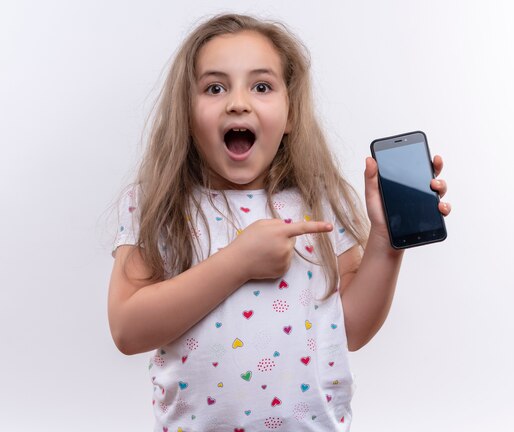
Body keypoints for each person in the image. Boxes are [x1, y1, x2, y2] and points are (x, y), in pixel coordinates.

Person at [107, 13, 450, 431]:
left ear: (289, 115)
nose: (238, 102)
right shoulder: (156, 204)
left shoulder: (318, 200)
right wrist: (237, 263)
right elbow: (127, 329)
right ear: (187, 114)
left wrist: (385, 241)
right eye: (215, 87)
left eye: (262, 86)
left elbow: (353, 330)